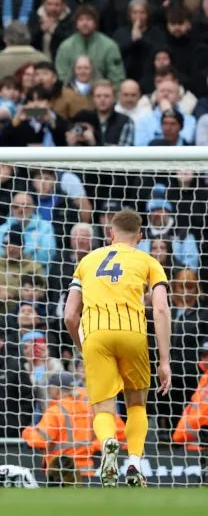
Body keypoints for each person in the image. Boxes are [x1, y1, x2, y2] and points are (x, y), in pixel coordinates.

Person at [64, 208, 172, 488]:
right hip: (133, 334)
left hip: (97, 335)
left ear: (110, 234)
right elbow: (160, 308)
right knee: (136, 405)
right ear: (141, 236)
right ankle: (134, 463)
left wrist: (83, 345)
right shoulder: (149, 261)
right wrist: (164, 360)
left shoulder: (87, 261)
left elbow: (69, 315)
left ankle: (109, 442)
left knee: (103, 408)